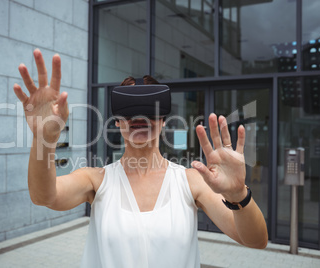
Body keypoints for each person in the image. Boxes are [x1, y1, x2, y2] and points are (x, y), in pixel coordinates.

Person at [13, 49, 268, 268]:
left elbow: (256, 241)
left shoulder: (190, 182)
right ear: (117, 122)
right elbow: (43, 196)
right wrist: (44, 139)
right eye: (129, 110)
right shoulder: (96, 180)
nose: (139, 118)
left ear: (164, 120)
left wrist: (237, 195)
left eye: (150, 109)